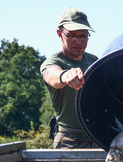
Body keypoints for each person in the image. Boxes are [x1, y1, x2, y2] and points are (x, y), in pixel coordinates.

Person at [40, 8, 98, 148]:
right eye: (72, 35)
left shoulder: (94, 60)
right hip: (70, 140)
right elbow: (51, 75)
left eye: (83, 35)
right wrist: (65, 76)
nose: (79, 41)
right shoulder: (53, 62)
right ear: (60, 34)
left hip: (97, 136)